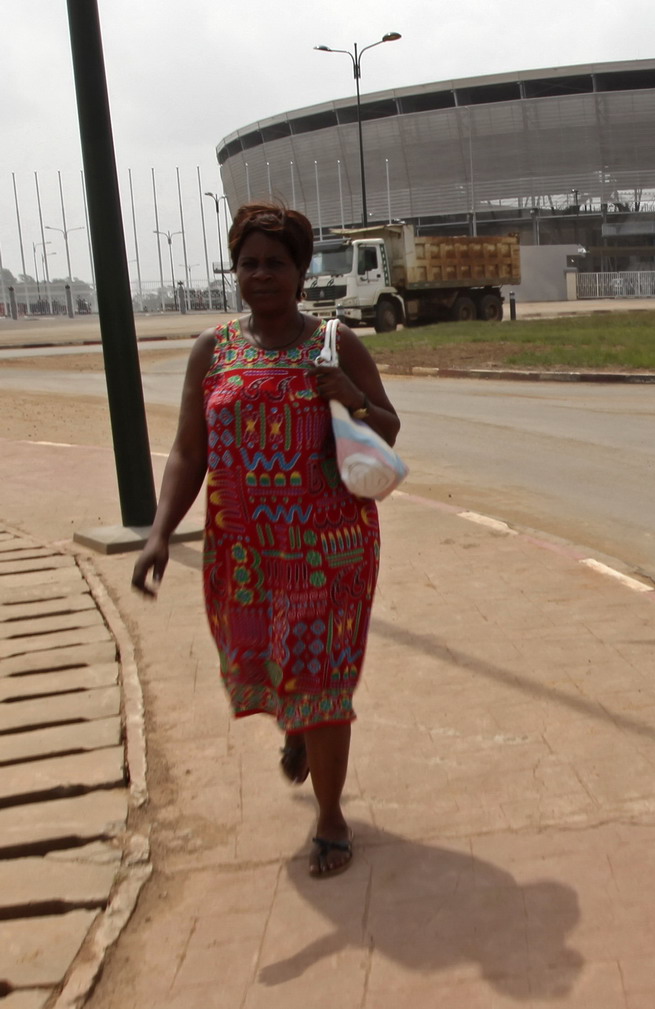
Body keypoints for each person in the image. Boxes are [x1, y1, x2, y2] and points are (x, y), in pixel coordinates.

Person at [131, 201, 400, 879]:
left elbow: (387, 427)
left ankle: (330, 818)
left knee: (322, 678)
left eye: (275, 263)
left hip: (329, 550)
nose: (260, 275)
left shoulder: (335, 340)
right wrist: (159, 533)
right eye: (248, 263)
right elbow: (188, 452)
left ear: (300, 271)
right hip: (244, 551)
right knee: (271, 665)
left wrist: (348, 393)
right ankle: (297, 727)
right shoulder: (213, 350)